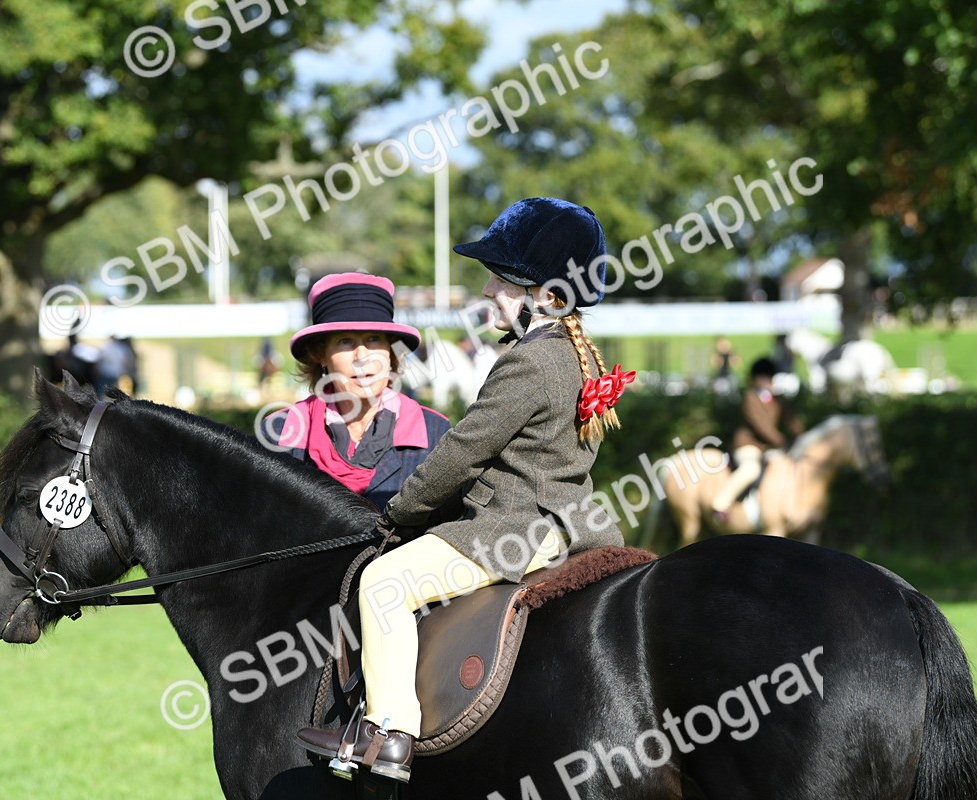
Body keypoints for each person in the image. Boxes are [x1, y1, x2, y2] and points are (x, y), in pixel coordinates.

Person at [296, 198, 630, 783]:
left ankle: (389, 733)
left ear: (543, 295)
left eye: (499, 281)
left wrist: (400, 511)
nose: (486, 292)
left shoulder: (530, 361)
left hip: (514, 527)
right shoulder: (577, 355)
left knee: (383, 584)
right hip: (572, 523)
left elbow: (463, 452)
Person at [260, 273, 450, 512]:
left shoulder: (433, 432)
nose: (362, 356)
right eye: (345, 341)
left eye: (374, 339)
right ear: (321, 354)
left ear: (391, 352)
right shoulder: (279, 433)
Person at [710, 357, 805, 522]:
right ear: (755, 379)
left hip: (768, 448)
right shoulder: (750, 398)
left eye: (769, 377)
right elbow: (761, 426)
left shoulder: (778, 400)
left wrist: (804, 437)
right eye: (764, 378)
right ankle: (720, 504)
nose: (768, 381)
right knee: (750, 469)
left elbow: (791, 422)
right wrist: (782, 442)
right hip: (748, 445)